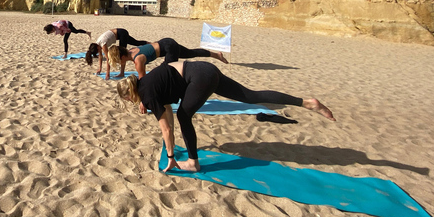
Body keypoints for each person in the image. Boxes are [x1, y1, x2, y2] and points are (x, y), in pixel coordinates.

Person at [117, 61, 335, 173]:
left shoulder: (148, 94)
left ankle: (193, 162)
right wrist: (149, 105)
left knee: (184, 116)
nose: (130, 103)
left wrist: (172, 157)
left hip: (198, 78)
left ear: (130, 94)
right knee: (251, 96)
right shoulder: (146, 86)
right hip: (204, 69)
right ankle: (306, 102)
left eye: (128, 100)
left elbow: (166, 127)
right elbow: (165, 110)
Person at [107, 37, 228, 78]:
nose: (119, 63)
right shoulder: (132, 50)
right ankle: (216, 55)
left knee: (168, 72)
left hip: (169, 48)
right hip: (166, 42)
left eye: (118, 61)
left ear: (122, 57)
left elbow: (143, 80)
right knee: (190, 53)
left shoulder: (137, 60)